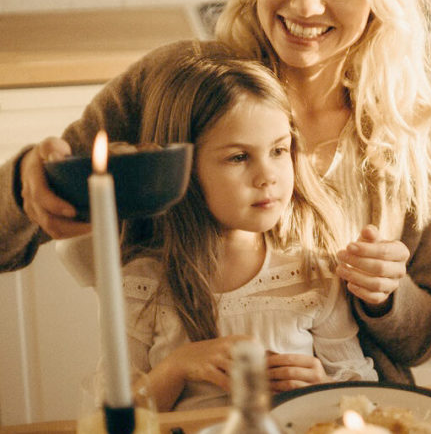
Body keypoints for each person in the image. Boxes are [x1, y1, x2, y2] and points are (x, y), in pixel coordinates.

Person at [0, 0, 431, 383]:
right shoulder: (179, 87)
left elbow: (425, 339)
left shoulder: (414, 124)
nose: (307, 3)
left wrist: (387, 296)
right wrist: (25, 187)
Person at [121, 55, 377, 411]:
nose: (267, 176)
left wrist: (321, 388)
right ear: (183, 170)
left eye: (278, 150)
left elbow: (361, 393)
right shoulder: (144, 284)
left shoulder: (314, 273)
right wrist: (176, 368)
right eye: (239, 157)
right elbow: (115, 416)